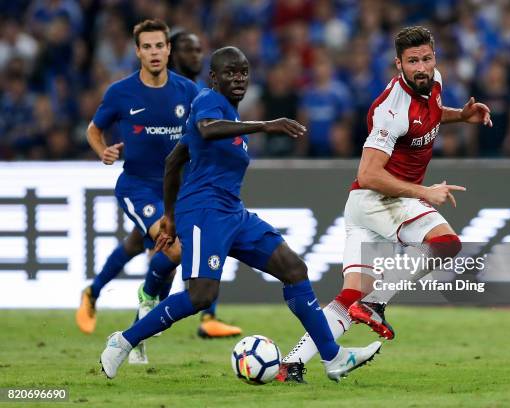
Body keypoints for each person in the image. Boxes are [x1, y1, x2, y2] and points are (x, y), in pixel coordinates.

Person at [100, 46, 381, 382]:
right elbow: (205, 128)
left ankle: (333, 358)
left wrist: (171, 217)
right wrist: (265, 125)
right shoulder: (209, 101)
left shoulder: (231, 115)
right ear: (214, 78)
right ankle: (124, 340)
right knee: (200, 296)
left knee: (293, 268)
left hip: (232, 211)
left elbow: (174, 161)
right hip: (204, 211)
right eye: (230, 72)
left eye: (243, 72)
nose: (238, 78)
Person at [278, 26, 493, 383]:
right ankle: (375, 302)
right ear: (399, 65)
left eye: (426, 58)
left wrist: (461, 116)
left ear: (434, 58)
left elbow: (433, 112)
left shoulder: (434, 81)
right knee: (446, 243)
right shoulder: (390, 110)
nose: (421, 67)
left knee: (349, 294)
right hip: (379, 199)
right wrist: (424, 192)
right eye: (412, 62)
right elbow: (369, 174)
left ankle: (291, 365)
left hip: (362, 207)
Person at [80, 19, 199, 362]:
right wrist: (101, 150)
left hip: (177, 190)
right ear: (138, 52)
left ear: (168, 49)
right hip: (138, 187)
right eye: (147, 47)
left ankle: (136, 333)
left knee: (171, 260)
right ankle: (147, 299)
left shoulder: (188, 92)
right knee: (171, 246)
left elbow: (203, 131)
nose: (154, 52)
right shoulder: (121, 92)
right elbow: (93, 128)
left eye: (159, 46)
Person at [168, 30, 242, 339]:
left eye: (199, 49)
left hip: (193, 179)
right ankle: (143, 308)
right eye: (188, 49)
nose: (195, 54)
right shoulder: (176, 93)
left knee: (183, 251)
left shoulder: (205, 92)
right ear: (173, 53)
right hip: (169, 183)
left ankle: (208, 315)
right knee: (160, 253)